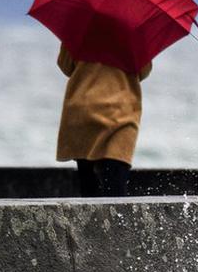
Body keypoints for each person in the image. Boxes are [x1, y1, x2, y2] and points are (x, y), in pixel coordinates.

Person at [56, 46, 151, 197]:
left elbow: (66, 66)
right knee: (115, 192)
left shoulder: (80, 28)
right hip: (119, 114)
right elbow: (143, 71)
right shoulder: (133, 33)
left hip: (83, 111)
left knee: (89, 192)